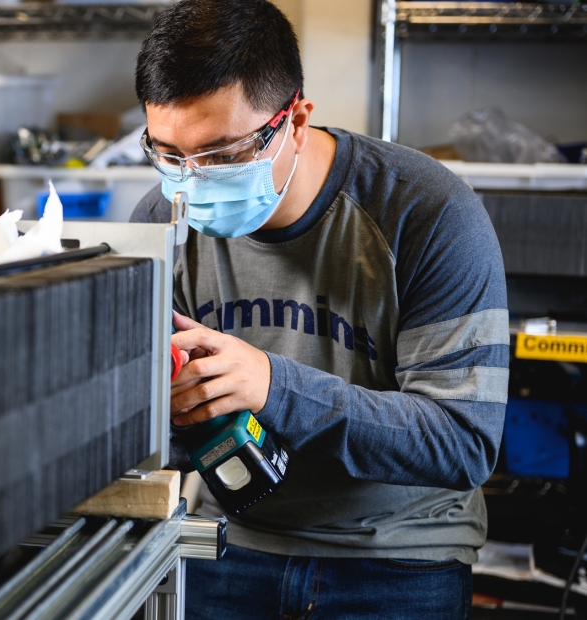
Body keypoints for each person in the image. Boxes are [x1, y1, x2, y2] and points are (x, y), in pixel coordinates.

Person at [129, 1, 508, 618]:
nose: (191, 185)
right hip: (226, 543)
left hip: (397, 557)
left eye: (223, 156)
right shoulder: (160, 223)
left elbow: (463, 443)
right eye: (170, 155)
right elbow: (153, 437)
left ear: (297, 119)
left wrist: (273, 386)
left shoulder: (427, 212)